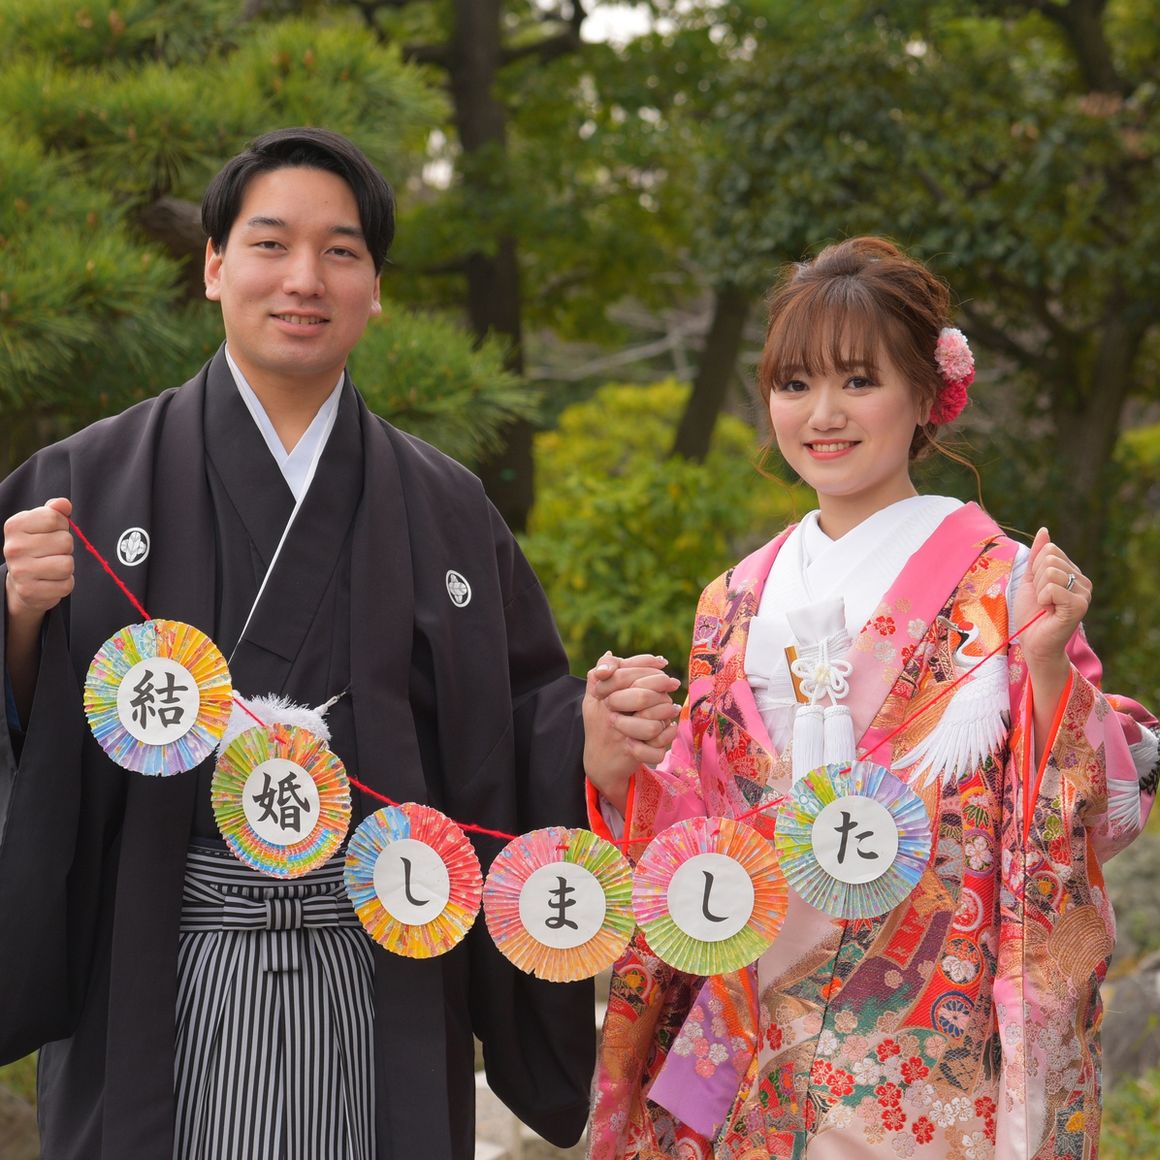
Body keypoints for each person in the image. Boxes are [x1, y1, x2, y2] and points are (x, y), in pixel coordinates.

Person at [0, 126, 677, 1160]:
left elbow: (516, 718)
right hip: (155, 967)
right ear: (215, 265)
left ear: (375, 288)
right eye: (270, 244)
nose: (303, 279)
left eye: (341, 252)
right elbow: (31, 741)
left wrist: (585, 737)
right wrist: (17, 619)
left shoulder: (446, 506)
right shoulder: (83, 483)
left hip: (382, 960)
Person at [583, 236, 1158, 1159]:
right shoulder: (733, 599)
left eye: (858, 380)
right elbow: (699, 828)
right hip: (752, 1040)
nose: (823, 415)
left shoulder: (1004, 584)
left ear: (928, 394)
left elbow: (1101, 813)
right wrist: (619, 764)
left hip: (926, 1052)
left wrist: (1048, 666)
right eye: (794, 383)